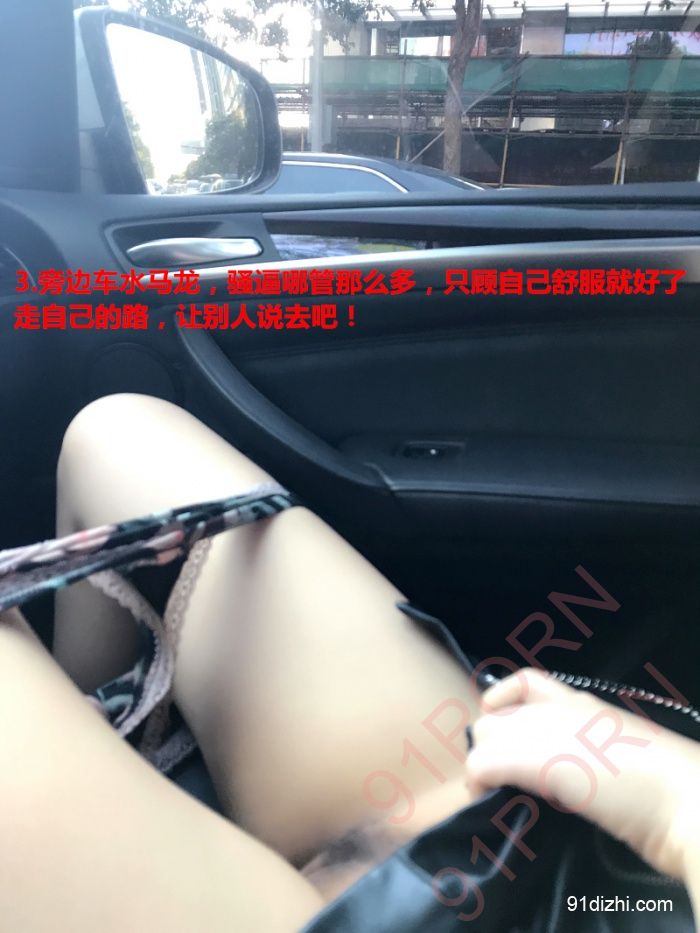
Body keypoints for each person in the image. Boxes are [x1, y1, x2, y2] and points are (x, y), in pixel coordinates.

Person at [0, 392, 696, 931]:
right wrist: (670, 789)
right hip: (560, 844)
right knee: (115, 435)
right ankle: (94, 742)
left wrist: (672, 809)